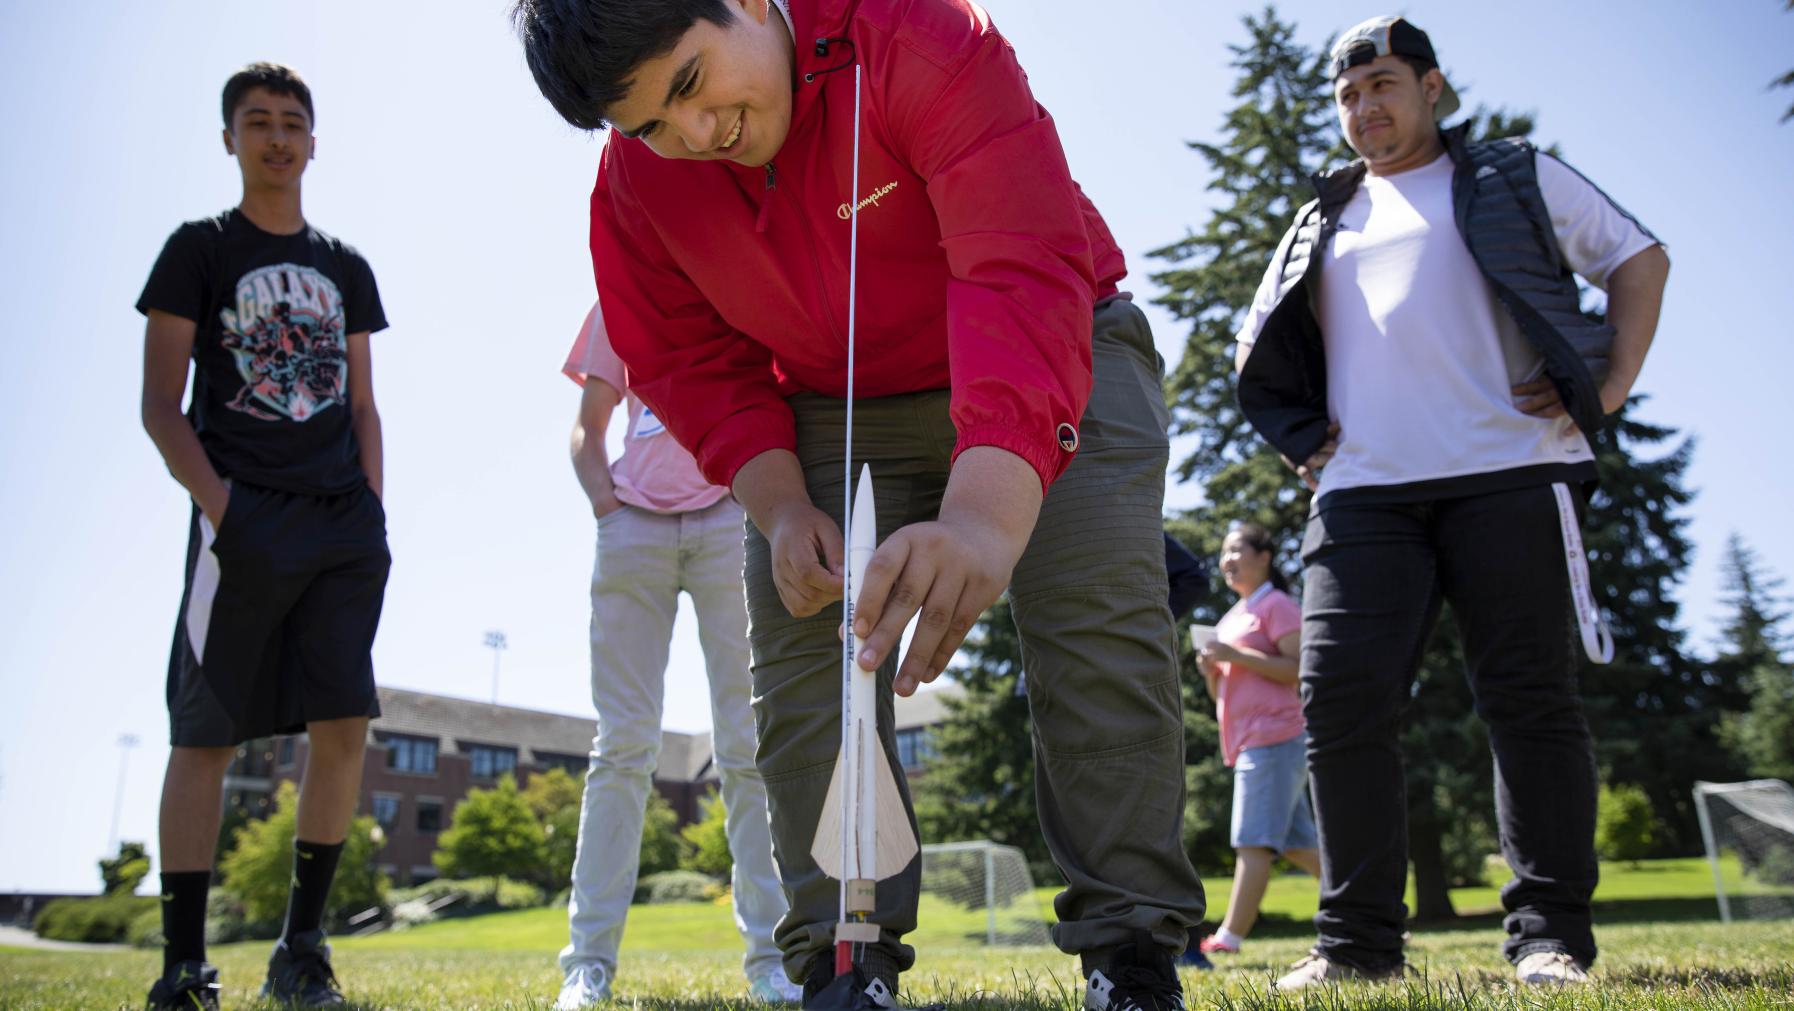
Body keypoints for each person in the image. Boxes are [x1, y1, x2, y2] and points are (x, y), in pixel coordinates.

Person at [513, 1, 1206, 1007]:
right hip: (836, 403)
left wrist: (983, 514)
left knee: (1096, 616)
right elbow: (687, 360)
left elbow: (1017, 266)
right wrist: (779, 501)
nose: (695, 138)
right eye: (653, 124)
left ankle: (1132, 951)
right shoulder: (634, 189)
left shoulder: (926, 37)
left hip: (1058, 339)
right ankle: (848, 958)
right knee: (805, 641)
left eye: (695, 84)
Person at [1232, 15, 1670, 989]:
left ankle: (1550, 936)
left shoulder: (1514, 176)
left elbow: (1639, 259)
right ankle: (1356, 947)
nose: (1365, 108)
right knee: (1341, 697)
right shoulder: (1322, 215)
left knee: (1528, 701)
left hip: (1513, 472)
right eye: (1348, 95)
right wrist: (1307, 438)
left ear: (1433, 87)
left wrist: (1608, 385)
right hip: (1362, 497)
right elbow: (1255, 350)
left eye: (1383, 84)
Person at [137, 62, 392, 1009]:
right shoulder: (197, 251)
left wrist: (372, 511)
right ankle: (181, 967)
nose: (278, 137)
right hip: (243, 516)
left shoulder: (345, 266)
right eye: (258, 122)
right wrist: (223, 510)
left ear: (314, 142)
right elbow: (161, 407)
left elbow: (365, 404)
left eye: (293, 122)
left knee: (343, 725)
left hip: (340, 525)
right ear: (230, 139)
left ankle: (302, 951)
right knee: (204, 735)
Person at [555, 300, 801, 1007]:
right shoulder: (618, 296)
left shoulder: (735, 273)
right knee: (624, 744)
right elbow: (589, 426)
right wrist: (608, 503)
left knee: (747, 742)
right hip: (635, 528)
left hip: (731, 517)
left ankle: (770, 960)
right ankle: (588, 964)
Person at [1193, 523, 1318, 959]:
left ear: (1263, 556)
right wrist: (1213, 672)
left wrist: (1233, 656)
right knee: (1301, 845)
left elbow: (1298, 668)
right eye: (1223, 554)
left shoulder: (1277, 605)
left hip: (1276, 736)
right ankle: (1373, 911)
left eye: (1236, 551)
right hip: (1249, 741)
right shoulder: (1232, 617)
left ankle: (1229, 938)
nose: (1227, 561)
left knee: (1251, 841)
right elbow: (1222, 694)